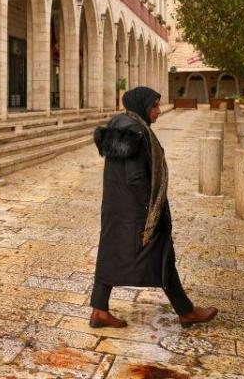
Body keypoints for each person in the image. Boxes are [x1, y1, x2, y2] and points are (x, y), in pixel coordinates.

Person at [90, 86, 218, 328]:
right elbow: (136, 178)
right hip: (136, 213)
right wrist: (152, 213)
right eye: (154, 106)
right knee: (163, 256)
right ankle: (186, 311)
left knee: (110, 254)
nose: (158, 111)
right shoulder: (135, 132)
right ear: (142, 106)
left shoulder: (122, 125)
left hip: (116, 209)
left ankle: (99, 310)